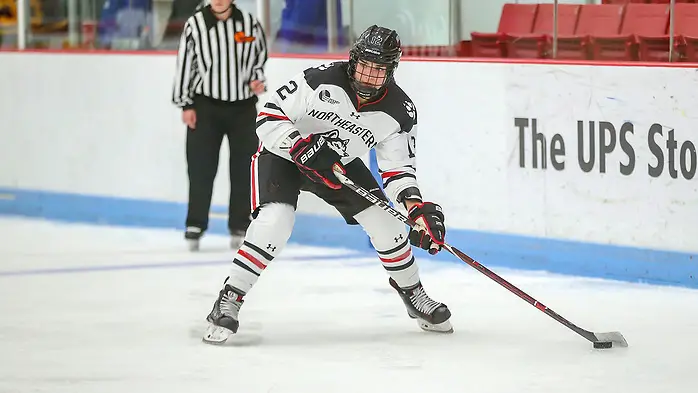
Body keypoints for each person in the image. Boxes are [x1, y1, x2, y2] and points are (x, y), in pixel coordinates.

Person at [202, 25, 452, 345]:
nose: (368, 76)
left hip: (338, 165)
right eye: (364, 66)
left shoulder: (399, 112)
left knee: (387, 224)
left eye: (379, 70)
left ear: (392, 71)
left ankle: (414, 295)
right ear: (352, 60)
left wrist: (415, 209)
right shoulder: (319, 80)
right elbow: (268, 117)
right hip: (284, 155)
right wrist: (298, 146)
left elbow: (398, 170)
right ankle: (230, 298)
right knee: (275, 221)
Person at [172, 0, 268, 251]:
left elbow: (258, 58)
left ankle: (239, 224)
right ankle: (195, 224)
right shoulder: (195, 24)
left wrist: (257, 79)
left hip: (243, 107)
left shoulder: (249, 24)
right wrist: (186, 104)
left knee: (244, 168)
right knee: (201, 167)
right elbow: (185, 65)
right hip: (206, 107)